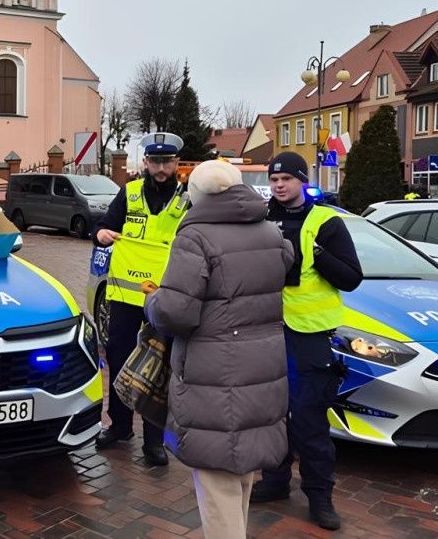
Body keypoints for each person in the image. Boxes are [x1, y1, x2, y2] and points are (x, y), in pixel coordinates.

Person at [145, 160, 293, 539]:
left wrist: (154, 302)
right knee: (240, 468)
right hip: (262, 366)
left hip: (215, 371)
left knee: (215, 479)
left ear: (196, 195)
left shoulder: (195, 237)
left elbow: (176, 312)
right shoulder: (270, 232)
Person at [250, 151, 363, 531]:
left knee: (309, 420)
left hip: (310, 336)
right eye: (274, 180)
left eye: (286, 179)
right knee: (271, 414)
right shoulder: (260, 217)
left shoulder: (326, 220)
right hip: (267, 332)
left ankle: (320, 497)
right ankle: (275, 481)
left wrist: (317, 254)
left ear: (302, 180)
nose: (279, 186)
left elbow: (350, 277)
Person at [92, 132, 188, 467]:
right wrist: (101, 234)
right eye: (155, 161)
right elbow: (104, 227)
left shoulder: (187, 199)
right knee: (118, 359)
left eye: (167, 162)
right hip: (123, 296)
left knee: (159, 367)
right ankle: (119, 426)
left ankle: (154, 440)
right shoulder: (129, 193)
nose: (161, 168)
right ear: (145, 162)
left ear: (176, 163)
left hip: (165, 297)